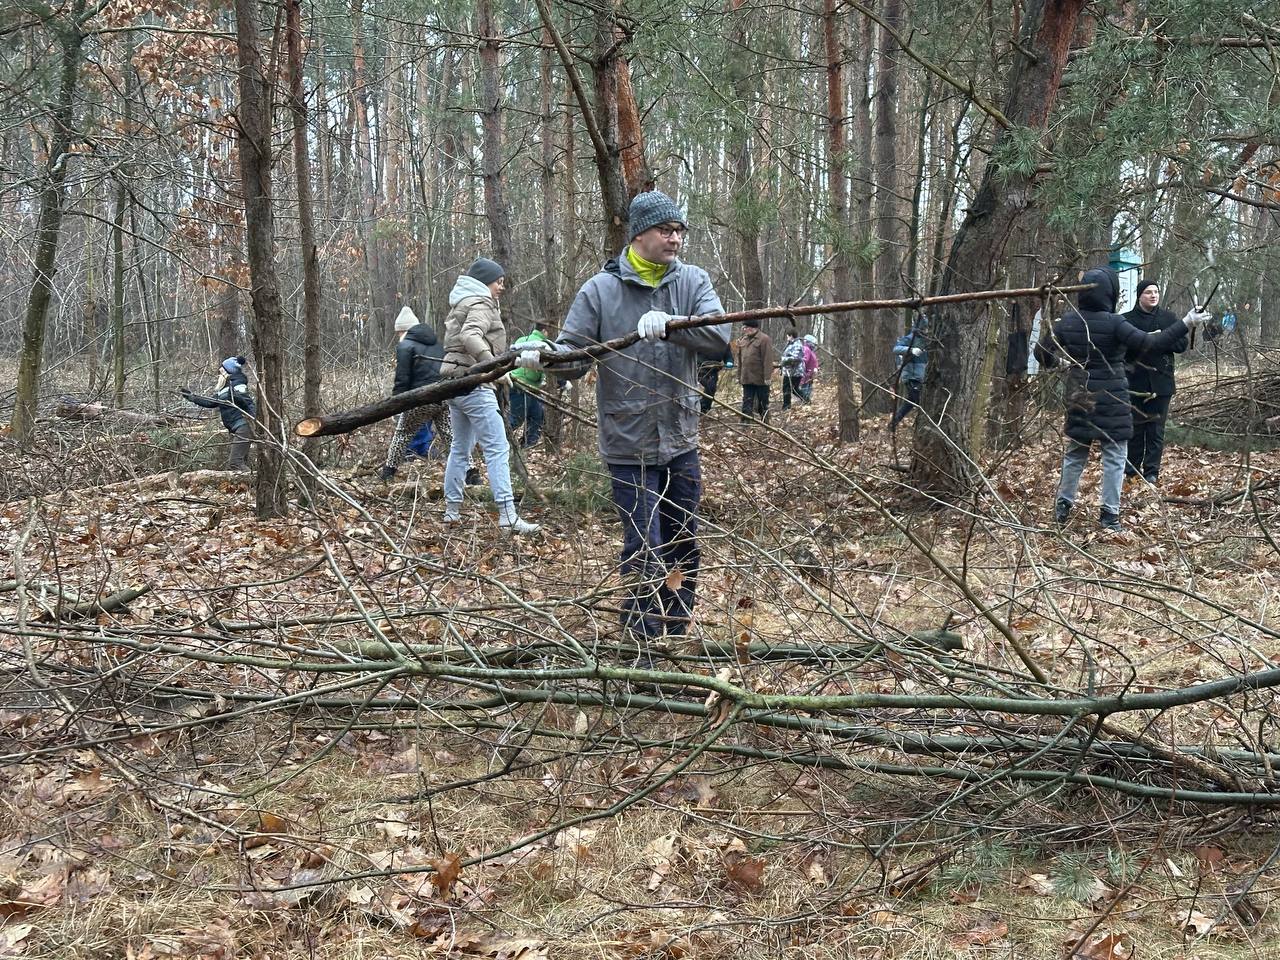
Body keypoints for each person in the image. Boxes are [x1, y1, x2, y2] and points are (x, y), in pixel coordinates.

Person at [515, 190, 727, 642]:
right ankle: (642, 641)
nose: (675, 239)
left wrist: (675, 325)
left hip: (681, 437)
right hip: (628, 442)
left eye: (679, 231)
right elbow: (575, 354)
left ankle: (675, 627)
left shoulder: (692, 281)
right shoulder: (600, 290)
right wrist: (543, 357)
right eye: (665, 231)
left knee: (682, 540)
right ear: (638, 234)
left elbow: (719, 338)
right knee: (642, 546)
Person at [1034, 267, 1209, 532]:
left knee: (1076, 454)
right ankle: (1109, 517)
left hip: (1080, 394)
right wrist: (1186, 322)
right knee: (1114, 456)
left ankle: (1062, 508)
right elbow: (1152, 343)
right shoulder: (1115, 323)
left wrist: (1061, 363)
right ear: (1110, 293)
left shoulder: (1068, 322)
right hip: (1113, 399)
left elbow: (1040, 352)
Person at [440, 258, 539, 534]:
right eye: (499, 282)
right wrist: (492, 367)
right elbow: (471, 336)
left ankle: (451, 512)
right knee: (497, 448)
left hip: (454, 384)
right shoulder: (481, 303)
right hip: (474, 383)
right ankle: (507, 514)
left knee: (460, 448)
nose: (501, 287)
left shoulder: (463, 302)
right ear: (486, 282)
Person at [1122, 279, 1188, 485]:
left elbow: (1182, 345)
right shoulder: (1126, 320)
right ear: (1139, 295)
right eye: (1148, 292)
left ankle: (1152, 472)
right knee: (1134, 429)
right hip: (1134, 382)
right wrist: (1144, 340)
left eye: (1156, 292)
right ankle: (1131, 470)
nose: (1153, 295)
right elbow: (1121, 348)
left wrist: (1161, 340)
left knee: (1156, 430)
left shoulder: (1168, 318)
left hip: (1161, 381)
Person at [381, 305, 449, 481]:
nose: (398, 336)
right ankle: (472, 473)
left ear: (403, 330)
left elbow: (402, 377)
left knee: (402, 434)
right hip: (443, 395)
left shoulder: (405, 345)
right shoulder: (436, 343)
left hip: (420, 397)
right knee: (452, 437)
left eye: (398, 332)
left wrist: (396, 403)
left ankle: (388, 473)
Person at [181, 356, 255, 470]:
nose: (219, 374)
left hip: (243, 427)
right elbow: (210, 402)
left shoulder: (238, 385)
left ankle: (255, 483)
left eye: (221, 371)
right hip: (236, 429)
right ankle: (248, 485)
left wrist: (255, 421)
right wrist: (191, 397)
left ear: (227, 372)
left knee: (235, 463)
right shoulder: (224, 389)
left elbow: (248, 403)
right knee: (240, 463)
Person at [508, 323, 551, 447]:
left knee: (537, 416)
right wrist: (562, 382)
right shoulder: (543, 344)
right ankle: (494, 441)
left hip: (528, 387)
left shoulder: (522, 339)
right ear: (544, 330)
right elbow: (549, 366)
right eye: (549, 331)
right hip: (521, 385)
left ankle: (528, 446)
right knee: (516, 419)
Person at [890, 316, 928, 430]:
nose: (926, 331)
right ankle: (894, 422)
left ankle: (894, 422)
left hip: (920, 377)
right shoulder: (909, 339)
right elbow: (896, 349)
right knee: (914, 401)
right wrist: (911, 350)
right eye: (924, 328)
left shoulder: (926, 341)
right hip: (911, 376)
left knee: (913, 402)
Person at [736, 318, 774, 422]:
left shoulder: (764, 339)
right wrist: (738, 376)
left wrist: (767, 377)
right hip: (747, 378)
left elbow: (768, 359)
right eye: (743, 327)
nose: (744, 329)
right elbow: (740, 360)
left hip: (760, 378)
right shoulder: (743, 340)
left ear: (752, 328)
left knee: (763, 402)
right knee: (747, 401)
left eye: (745, 327)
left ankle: (766, 422)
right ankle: (745, 423)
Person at [697, 345, 733, 414]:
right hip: (700, 368)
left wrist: (729, 361)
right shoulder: (705, 337)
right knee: (703, 386)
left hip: (713, 369)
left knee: (711, 388)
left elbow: (728, 355)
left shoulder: (724, 343)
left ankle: (704, 408)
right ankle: (697, 405)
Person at [779, 329, 806, 410]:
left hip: (795, 372)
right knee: (793, 389)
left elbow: (796, 358)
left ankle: (786, 406)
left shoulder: (797, 345)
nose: (787, 337)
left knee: (789, 388)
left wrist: (784, 360)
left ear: (791, 336)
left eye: (787, 335)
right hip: (789, 371)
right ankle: (805, 400)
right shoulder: (791, 344)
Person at [800, 334, 819, 402]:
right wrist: (804, 373)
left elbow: (813, 361)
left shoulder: (811, 350)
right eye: (814, 343)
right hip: (806, 375)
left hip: (809, 375)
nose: (815, 345)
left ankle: (806, 401)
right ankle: (805, 401)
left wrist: (816, 368)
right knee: (805, 389)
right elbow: (804, 361)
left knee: (808, 388)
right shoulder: (806, 349)